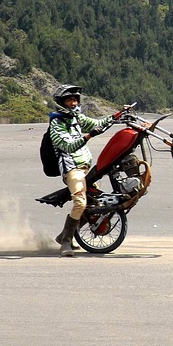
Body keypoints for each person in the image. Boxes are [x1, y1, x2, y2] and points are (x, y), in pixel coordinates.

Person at [49, 84, 123, 257]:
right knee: (80, 203)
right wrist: (89, 136)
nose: (73, 103)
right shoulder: (56, 123)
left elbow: (97, 123)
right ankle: (66, 242)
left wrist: (116, 115)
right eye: (69, 100)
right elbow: (68, 145)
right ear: (61, 103)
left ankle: (62, 236)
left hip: (86, 168)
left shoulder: (76, 118)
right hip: (72, 169)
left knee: (94, 204)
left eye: (75, 100)